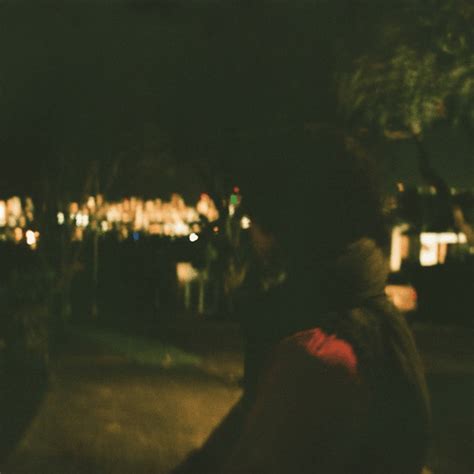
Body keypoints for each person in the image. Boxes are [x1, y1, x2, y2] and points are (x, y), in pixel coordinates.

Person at [173, 130, 431, 474]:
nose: (251, 234)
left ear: (283, 226)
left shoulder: (317, 355)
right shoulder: (378, 319)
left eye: (255, 218)